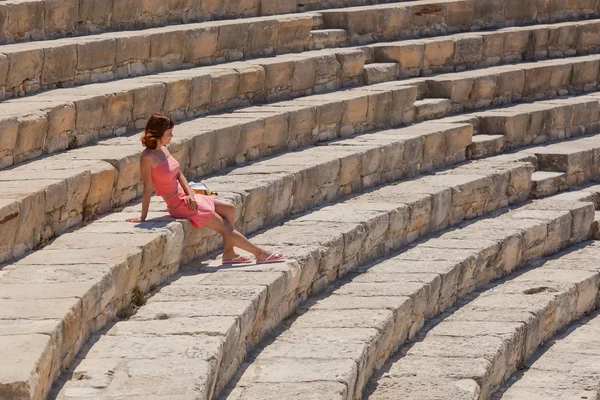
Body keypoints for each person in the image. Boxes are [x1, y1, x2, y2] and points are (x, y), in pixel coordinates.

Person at [126, 113, 284, 264]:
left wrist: (191, 195)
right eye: (169, 132)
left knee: (229, 208)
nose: (171, 136)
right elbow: (147, 188)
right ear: (159, 132)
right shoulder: (147, 157)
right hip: (178, 204)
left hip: (188, 197)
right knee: (225, 227)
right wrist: (143, 217)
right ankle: (260, 253)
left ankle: (229, 254)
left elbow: (179, 175)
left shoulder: (164, 149)